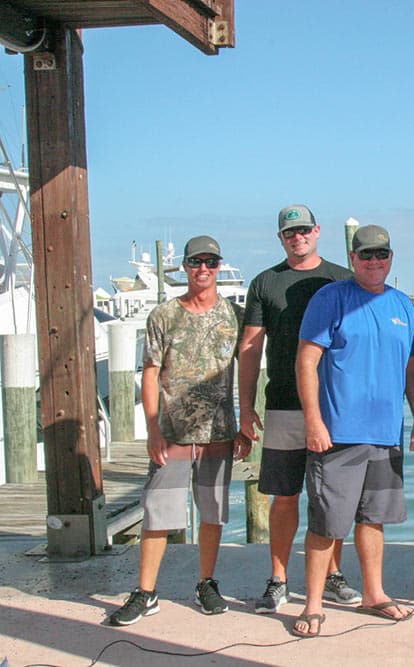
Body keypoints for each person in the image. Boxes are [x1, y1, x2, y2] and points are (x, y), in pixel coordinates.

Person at [293, 224, 414, 637]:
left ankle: (374, 593)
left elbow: (410, 369)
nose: (374, 261)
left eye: (381, 255)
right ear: (352, 258)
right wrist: (314, 421)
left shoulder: (402, 305)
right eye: (366, 255)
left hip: (386, 434)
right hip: (337, 435)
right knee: (326, 523)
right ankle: (313, 604)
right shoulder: (330, 298)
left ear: (391, 257)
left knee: (374, 519)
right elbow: (306, 361)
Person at [109, 235, 248, 626]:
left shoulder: (234, 316)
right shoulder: (163, 315)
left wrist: (245, 421)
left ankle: (206, 583)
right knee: (157, 514)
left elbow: (247, 371)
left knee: (212, 515)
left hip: (220, 434)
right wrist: (153, 429)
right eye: (195, 262)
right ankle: (146, 591)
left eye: (211, 262)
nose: (203, 269)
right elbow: (150, 373)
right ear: (185, 267)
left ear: (219, 266)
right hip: (172, 436)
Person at [237, 205, 357, 615]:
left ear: (317, 231)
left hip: (336, 409)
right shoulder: (265, 283)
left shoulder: (342, 278)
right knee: (284, 496)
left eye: (304, 229)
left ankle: (334, 575)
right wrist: (245, 406)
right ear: (281, 238)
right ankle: (279, 579)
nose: (298, 236)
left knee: (332, 499)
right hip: (283, 406)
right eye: (290, 232)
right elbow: (251, 350)